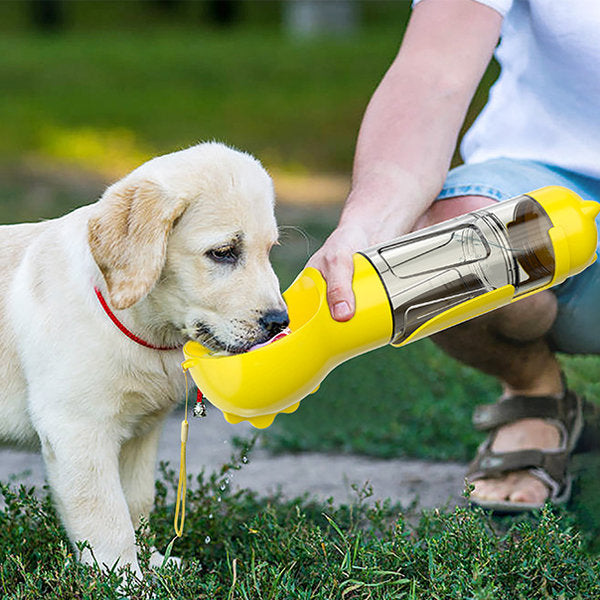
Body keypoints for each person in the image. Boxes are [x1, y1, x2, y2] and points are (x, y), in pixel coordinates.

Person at [308, 0, 600, 512]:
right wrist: (368, 225)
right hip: (546, 193)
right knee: (444, 248)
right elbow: (431, 74)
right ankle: (535, 395)